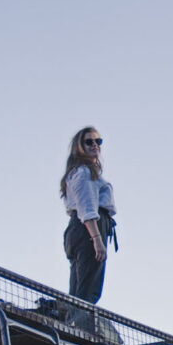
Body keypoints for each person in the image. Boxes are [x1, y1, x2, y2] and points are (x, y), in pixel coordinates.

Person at [61, 126, 117, 305]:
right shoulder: (84, 172)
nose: (95, 145)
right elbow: (87, 208)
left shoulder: (78, 172)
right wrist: (96, 238)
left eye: (98, 141)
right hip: (88, 228)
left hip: (79, 229)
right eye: (89, 142)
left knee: (79, 290)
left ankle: (74, 321)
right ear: (79, 146)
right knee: (88, 292)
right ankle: (79, 326)